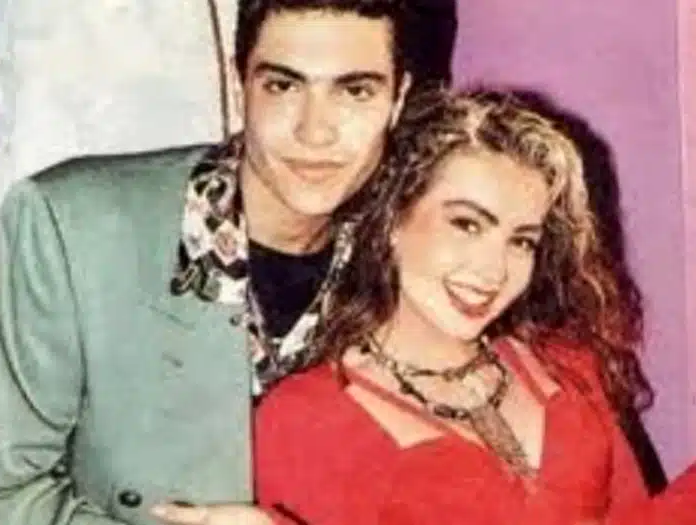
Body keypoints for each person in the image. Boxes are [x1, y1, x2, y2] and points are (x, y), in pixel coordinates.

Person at [0, 1, 461, 524]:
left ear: (398, 100)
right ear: (241, 88)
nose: (315, 132)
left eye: (355, 91)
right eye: (283, 86)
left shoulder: (412, 260)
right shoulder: (73, 226)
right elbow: (6, 492)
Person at [253, 89, 696, 524]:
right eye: (466, 225)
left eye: (521, 241)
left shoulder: (567, 366)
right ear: (393, 219)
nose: (493, 271)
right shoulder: (305, 418)